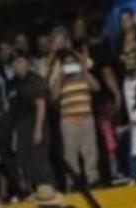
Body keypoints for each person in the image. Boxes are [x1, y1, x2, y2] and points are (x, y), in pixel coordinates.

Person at [48, 37, 102, 187]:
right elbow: (54, 96)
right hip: (68, 121)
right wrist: (60, 77)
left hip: (87, 119)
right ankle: (73, 183)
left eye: (73, 62)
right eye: (67, 63)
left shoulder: (84, 76)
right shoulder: (59, 78)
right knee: (70, 156)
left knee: (90, 153)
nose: (71, 65)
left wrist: (84, 71)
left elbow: (96, 87)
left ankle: (93, 180)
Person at [8, 50, 54, 191]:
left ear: (28, 63)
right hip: (20, 127)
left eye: (20, 61)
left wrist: (38, 130)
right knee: (24, 161)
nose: (17, 65)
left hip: (35, 123)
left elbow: (41, 105)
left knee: (40, 162)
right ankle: (31, 191)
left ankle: (48, 191)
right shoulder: (12, 84)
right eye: (14, 63)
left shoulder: (35, 80)